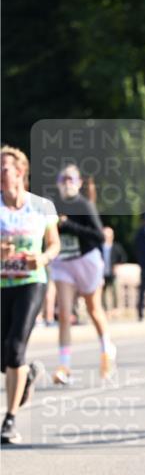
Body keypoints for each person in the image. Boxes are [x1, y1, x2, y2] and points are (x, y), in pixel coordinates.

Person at [1, 146, 60, 444]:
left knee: (14, 347)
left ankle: (9, 418)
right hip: (1, 284)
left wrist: (43, 259)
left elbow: (54, 244)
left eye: (5, 168)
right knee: (6, 356)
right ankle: (25, 377)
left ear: (21, 172)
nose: (0, 173)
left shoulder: (41, 206)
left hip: (31, 282)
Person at [50, 164, 115, 383]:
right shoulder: (52, 207)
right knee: (64, 314)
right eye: (63, 179)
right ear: (58, 184)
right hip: (63, 263)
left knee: (94, 309)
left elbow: (98, 236)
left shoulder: (84, 205)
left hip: (86, 261)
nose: (67, 183)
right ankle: (64, 366)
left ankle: (107, 349)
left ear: (78, 183)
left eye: (71, 179)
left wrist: (69, 225)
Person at [101, 226, 127, 314]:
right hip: (102, 273)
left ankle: (115, 309)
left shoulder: (116, 247)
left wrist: (117, 266)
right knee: (102, 293)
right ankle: (105, 309)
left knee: (115, 291)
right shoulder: (99, 247)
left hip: (113, 273)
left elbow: (123, 258)